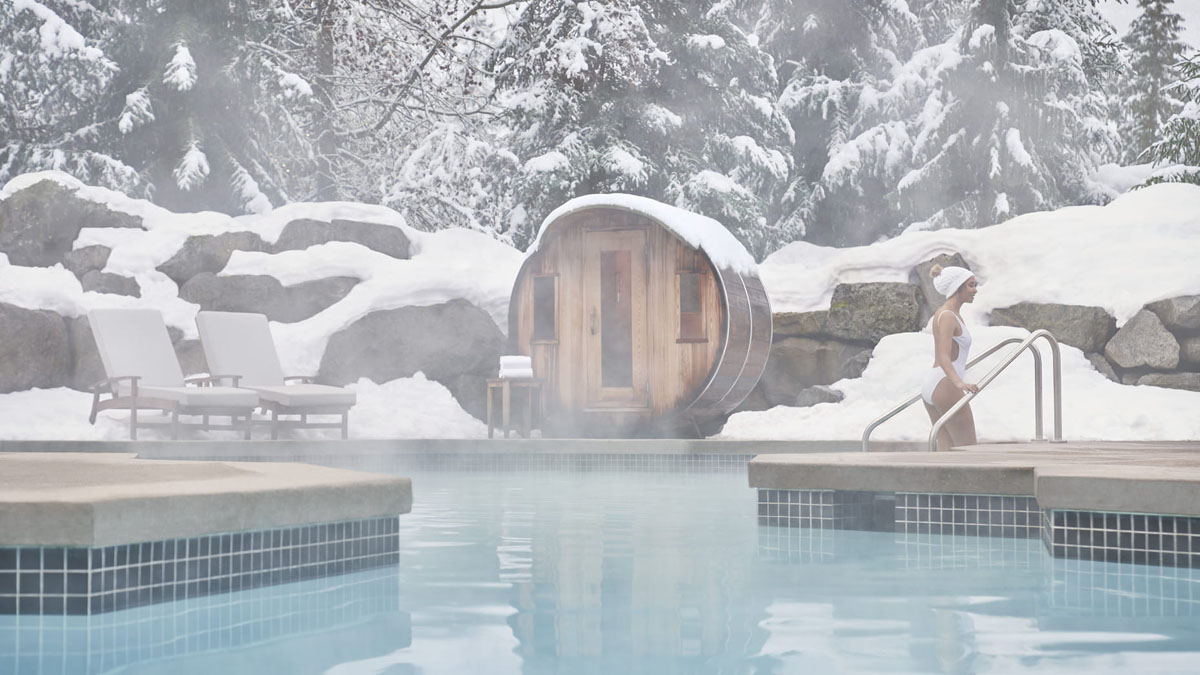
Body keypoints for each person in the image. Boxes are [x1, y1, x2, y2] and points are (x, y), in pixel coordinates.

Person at [921, 264, 979, 451]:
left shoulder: (948, 314)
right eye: (970, 285)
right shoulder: (947, 316)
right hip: (945, 385)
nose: (974, 290)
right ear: (958, 287)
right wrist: (959, 383)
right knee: (968, 449)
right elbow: (943, 356)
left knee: (946, 451)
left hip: (935, 384)